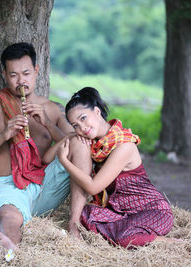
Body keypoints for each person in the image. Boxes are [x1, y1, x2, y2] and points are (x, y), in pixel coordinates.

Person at [0, 42, 86, 251]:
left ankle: (74, 224)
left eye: (26, 73)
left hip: (43, 187)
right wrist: (3, 136)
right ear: (4, 74)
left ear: (36, 71)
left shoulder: (52, 109)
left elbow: (75, 140)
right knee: (10, 215)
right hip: (7, 187)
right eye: (13, 75)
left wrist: (47, 122)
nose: (21, 81)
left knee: (80, 146)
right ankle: (8, 248)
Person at [55, 87, 174, 248]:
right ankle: (124, 231)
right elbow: (47, 157)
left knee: (125, 239)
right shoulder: (96, 145)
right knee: (86, 215)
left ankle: (167, 242)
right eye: (75, 125)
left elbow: (93, 187)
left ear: (97, 112)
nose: (81, 128)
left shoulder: (124, 145)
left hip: (152, 211)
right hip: (121, 212)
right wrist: (52, 127)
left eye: (83, 118)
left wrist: (65, 161)